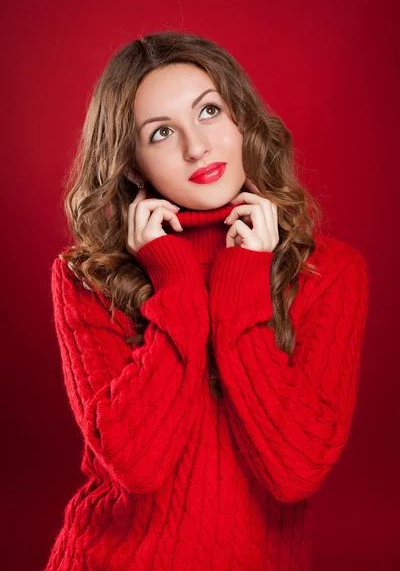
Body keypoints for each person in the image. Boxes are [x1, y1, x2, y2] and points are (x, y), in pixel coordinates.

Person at [44, 31, 369, 571]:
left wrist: (243, 279)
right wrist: (173, 281)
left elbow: (295, 472)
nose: (197, 147)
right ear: (131, 165)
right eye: (163, 132)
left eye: (210, 112)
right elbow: (136, 466)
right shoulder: (87, 278)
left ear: (241, 119)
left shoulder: (329, 273)